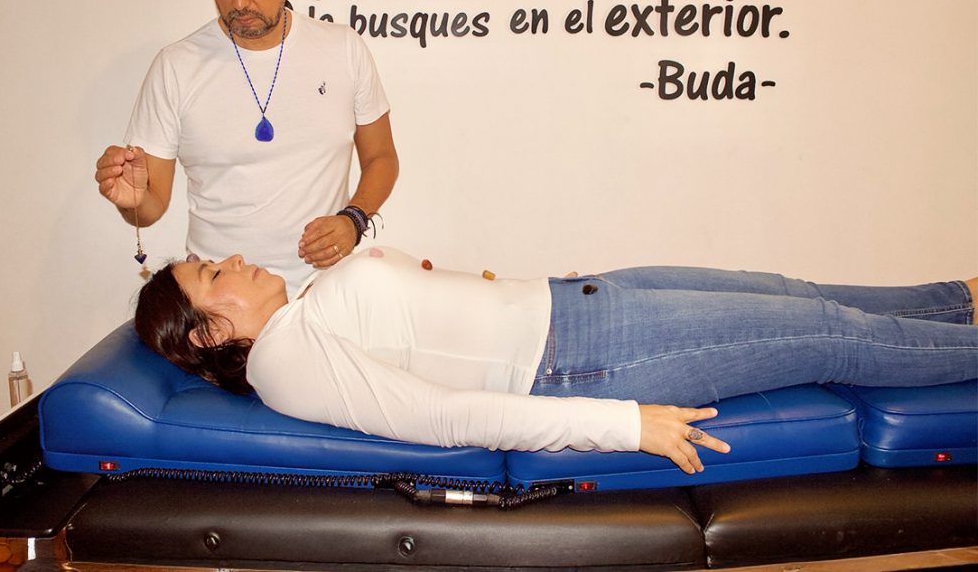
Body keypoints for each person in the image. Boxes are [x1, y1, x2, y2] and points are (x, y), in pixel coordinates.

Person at [134, 245, 978, 474]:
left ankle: (963, 297)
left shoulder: (301, 319)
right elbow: (445, 417)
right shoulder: (285, 362)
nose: (233, 259)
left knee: (799, 294)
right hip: (591, 360)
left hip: (586, 303)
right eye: (213, 272)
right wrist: (626, 426)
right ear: (206, 332)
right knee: (826, 334)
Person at [95, 0, 398, 292]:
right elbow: (151, 207)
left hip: (323, 293)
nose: (239, 1)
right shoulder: (175, 67)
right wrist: (132, 200)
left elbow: (381, 157)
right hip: (222, 304)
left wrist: (353, 219)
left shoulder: (344, 49)